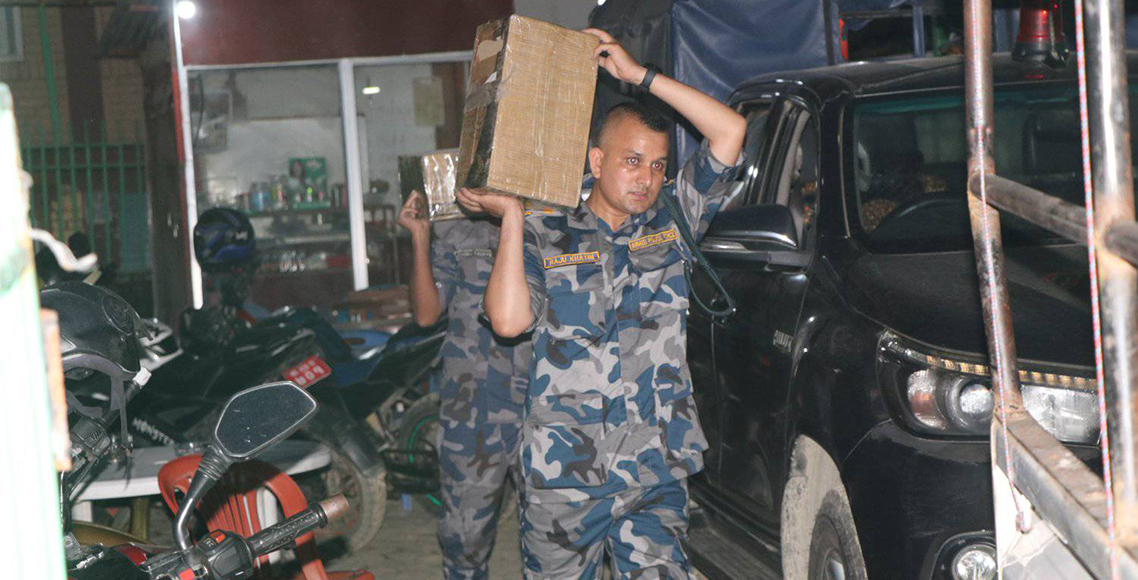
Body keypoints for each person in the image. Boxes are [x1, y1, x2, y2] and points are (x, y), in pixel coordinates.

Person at [457, 28, 746, 579]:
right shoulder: (546, 232)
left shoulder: (674, 221)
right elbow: (509, 320)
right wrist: (513, 216)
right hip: (566, 477)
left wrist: (640, 77)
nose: (647, 178)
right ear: (596, 159)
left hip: (656, 468)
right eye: (633, 160)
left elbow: (730, 130)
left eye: (658, 165)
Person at [396, 189, 530, 580]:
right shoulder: (458, 227)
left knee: (554, 541)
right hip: (473, 404)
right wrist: (421, 235)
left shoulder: (554, 219)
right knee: (465, 539)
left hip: (545, 402)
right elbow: (427, 314)